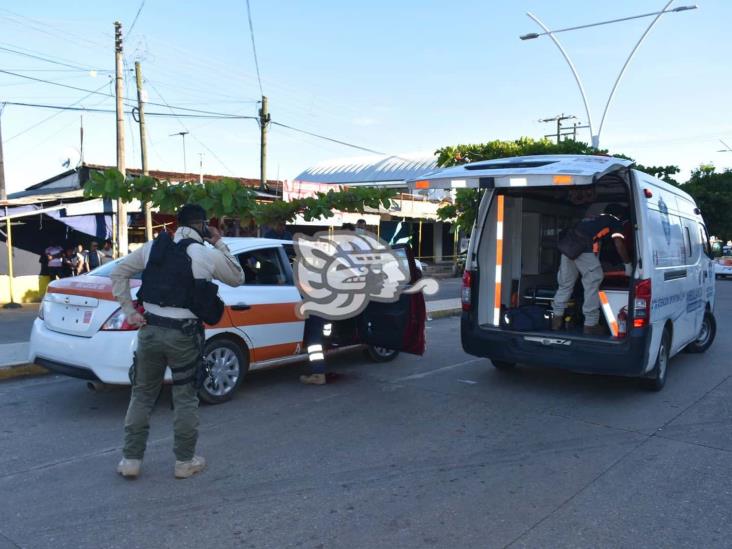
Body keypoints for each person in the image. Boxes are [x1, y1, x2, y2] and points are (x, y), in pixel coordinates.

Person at [111, 204, 245, 480]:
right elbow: (237, 277)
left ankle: (130, 460)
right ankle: (184, 462)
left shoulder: (153, 248)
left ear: (177, 223)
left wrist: (130, 312)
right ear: (203, 225)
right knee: (184, 398)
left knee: (142, 395)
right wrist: (219, 242)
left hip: (149, 330)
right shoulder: (204, 254)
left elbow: (119, 273)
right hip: (183, 335)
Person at [552, 203, 632, 336]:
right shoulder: (614, 221)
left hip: (568, 249)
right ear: (619, 215)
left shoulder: (591, 219)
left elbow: (595, 241)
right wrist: (628, 264)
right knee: (593, 281)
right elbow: (619, 243)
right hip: (583, 249)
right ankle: (591, 324)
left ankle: (556, 319)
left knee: (565, 284)